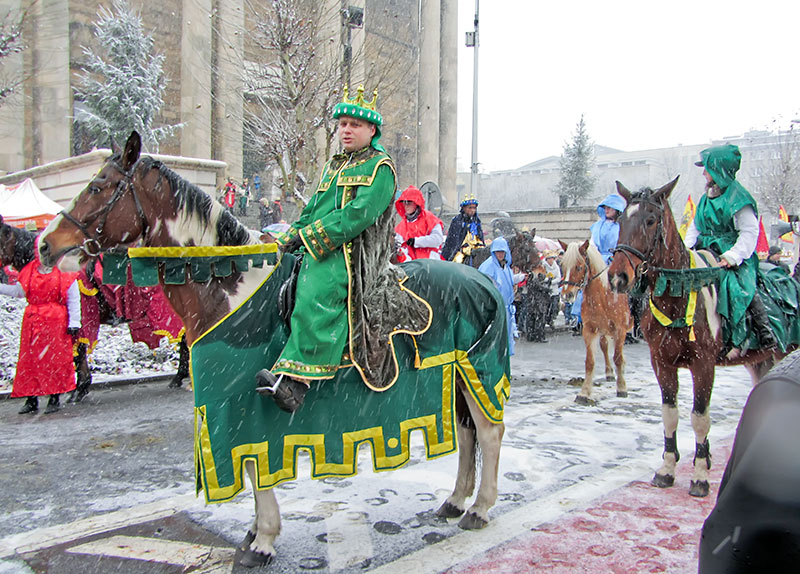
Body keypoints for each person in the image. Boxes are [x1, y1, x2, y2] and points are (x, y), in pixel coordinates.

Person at [255, 85, 431, 413]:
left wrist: (311, 237)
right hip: (325, 244)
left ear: (372, 130)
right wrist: (289, 236)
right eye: (342, 124)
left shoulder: (381, 168)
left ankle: (297, 382)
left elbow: (356, 216)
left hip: (359, 256)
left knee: (316, 285)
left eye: (355, 124)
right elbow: (314, 210)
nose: (346, 130)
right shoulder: (334, 166)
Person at [684, 143, 776, 350]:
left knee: (737, 285)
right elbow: (694, 228)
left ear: (718, 169)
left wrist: (732, 256)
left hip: (732, 253)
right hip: (704, 251)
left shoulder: (739, 197)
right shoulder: (705, 198)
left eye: (706, 168)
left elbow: (750, 232)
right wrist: (686, 251)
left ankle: (763, 330)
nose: (704, 173)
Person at [0, 243, 81, 414]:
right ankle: (31, 399)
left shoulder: (63, 271)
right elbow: (19, 292)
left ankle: (54, 397)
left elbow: (73, 297)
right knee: (31, 362)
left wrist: (74, 322)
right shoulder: (30, 270)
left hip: (55, 324)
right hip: (33, 323)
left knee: (54, 361)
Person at [478, 237, 525, 355]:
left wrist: (521, 277)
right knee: (495, 338)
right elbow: (486, 285)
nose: (500, 254)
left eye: (502, 251)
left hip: (506, 309)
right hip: (495, 308)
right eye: (497, 252)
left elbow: (507, 281)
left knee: (505, 339)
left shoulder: (504, 266)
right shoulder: (488, 266)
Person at [394, 185, 445, 262]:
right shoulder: (401, 226)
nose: (406, 206)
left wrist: (416, 241)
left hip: (431, 263)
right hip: (412, 266)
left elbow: (438, 239)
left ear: (416, 203)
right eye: (404, 203)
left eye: (409, 203)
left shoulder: (430, 219)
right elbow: (400, 248)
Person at [442, 194, 485, 263]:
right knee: (457, 261)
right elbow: (453, 241)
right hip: (461, 251)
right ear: (464, 208)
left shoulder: (477, 221)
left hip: (476, 249)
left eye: (474, 208)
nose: (472, 210)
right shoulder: (457, 220)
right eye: (470, 208)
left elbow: (479, 237)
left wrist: (479, 246)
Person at [542, 250, 561, 327]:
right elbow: (542, 277)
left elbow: (559, 277)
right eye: (549, 259)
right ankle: (546, 319)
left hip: (554, 289)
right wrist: (547, 280)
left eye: (552, 258)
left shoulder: (556, 267)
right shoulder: (543, 266)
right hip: (546, 290)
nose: (551, 260)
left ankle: (551, 319)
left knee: (554, 306)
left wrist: (552, 281)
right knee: (546, 306)